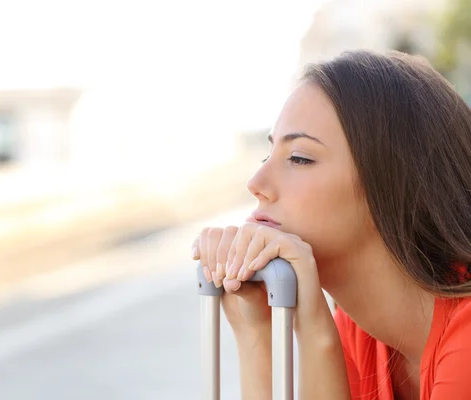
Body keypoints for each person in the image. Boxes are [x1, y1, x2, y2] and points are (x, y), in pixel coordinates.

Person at [191, 49, 471, 400]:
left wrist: (316, 335)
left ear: (392, 186)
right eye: (268, 155)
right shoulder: (361, 331)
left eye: (299, 158)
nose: (256, 182)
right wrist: (256, 334)